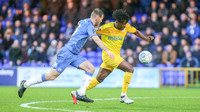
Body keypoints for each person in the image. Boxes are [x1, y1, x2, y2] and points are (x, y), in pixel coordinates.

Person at [18, 8, 114, 104]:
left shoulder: (84, 21)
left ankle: (80, 93)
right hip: (67, 53)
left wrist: (96, 29)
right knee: (51, 76)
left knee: (90, 69)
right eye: (101, 19)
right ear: (97, 18)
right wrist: (107, 51)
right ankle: (25, 84)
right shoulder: (89, 26)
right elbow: (97, 40)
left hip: (74, 54)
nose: (101, 21)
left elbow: (80, 24)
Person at [86, 9, 154, 104]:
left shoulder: (126, 26)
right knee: (130, 69)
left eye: (125, 24)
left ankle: (80, 92)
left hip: (114, 57)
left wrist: (146, 38)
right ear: (116, 21)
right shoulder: (106, 27)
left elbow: (136, 32)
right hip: (109, 56)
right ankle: (123, 96)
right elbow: (91, 32)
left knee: (99, 78)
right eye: (122, 24)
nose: (124, 26)